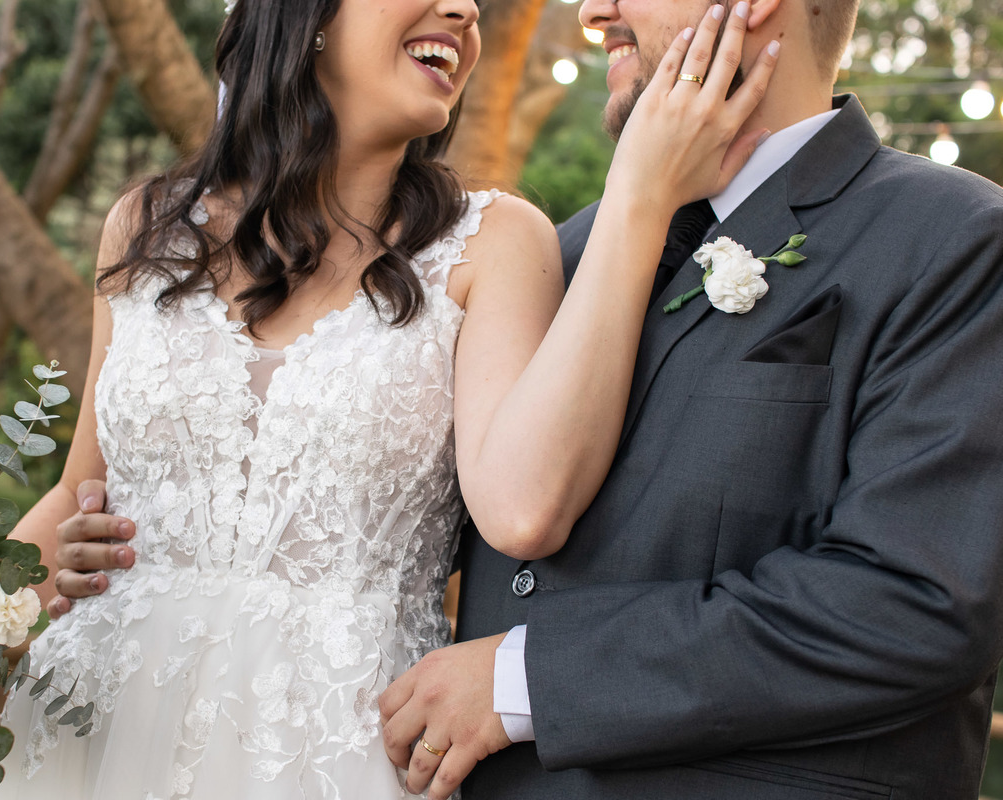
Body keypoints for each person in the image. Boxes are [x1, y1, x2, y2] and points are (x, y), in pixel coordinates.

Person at [0, 0, 777, 798]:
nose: (464, 11)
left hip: (331, 748)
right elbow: (83, 492)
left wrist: (641, 193)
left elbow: (526, 511)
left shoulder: (493, 243)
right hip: (95, 730)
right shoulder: (146, 227)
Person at [370, 0, 1003, 797]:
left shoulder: (959, 241)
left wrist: (524, 682)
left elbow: (915, 606)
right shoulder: (551, 258)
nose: (595, 12)